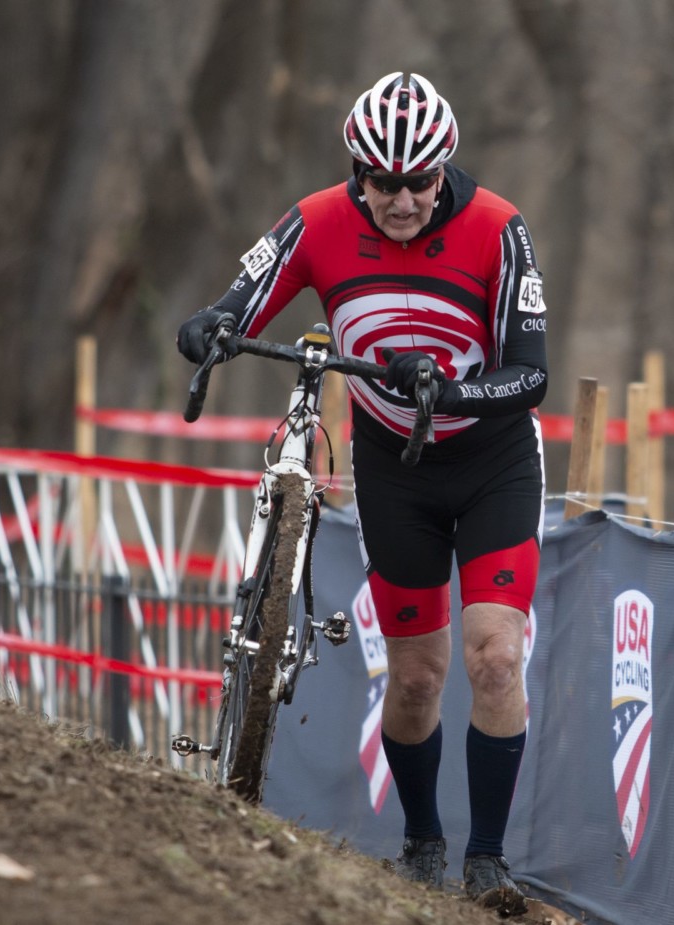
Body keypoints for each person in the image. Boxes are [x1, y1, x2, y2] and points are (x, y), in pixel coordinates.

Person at [178, 72, 548, 916]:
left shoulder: (499, 228)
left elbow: (532, 374)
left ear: (443, 169)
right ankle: (422, 840)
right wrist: (211, 323)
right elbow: (243, 296)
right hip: (394, 464)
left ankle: (486, 858)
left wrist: (448, 392)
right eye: (380, 182)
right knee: (416, 678)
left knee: (495, 656)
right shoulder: (318, 220)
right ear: (357, 169)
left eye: (418, 182)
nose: (400, 201)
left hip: (492, 458)